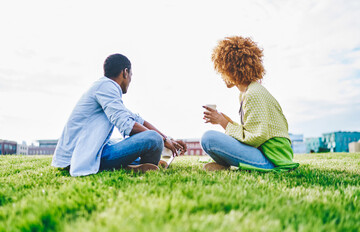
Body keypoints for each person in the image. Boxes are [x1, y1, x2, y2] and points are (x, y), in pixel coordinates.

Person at [52, 53, 186, 176]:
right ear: (125, 72)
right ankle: (138, 164)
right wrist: (161, 141)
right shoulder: (107, 87)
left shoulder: (105, 89)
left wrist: (168, 139)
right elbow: (128, 125)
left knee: (150, 137)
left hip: (90, 151)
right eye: (131, 75)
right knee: (153, 138)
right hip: (79, 156)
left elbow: (138, 120)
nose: (131, 80)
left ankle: (135, 164)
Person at [201, 36, 299, 172]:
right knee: (211, 138)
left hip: (271, 160)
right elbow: (252, 132)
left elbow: (254, 138)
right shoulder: (249, 92)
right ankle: (226, 166)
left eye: (222, 71)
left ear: (230, 70)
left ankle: (242, 166)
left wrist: (223, 122)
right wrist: (224, 120)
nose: (222, 76)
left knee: (208, 138)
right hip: (266, 155)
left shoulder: (253, 94)